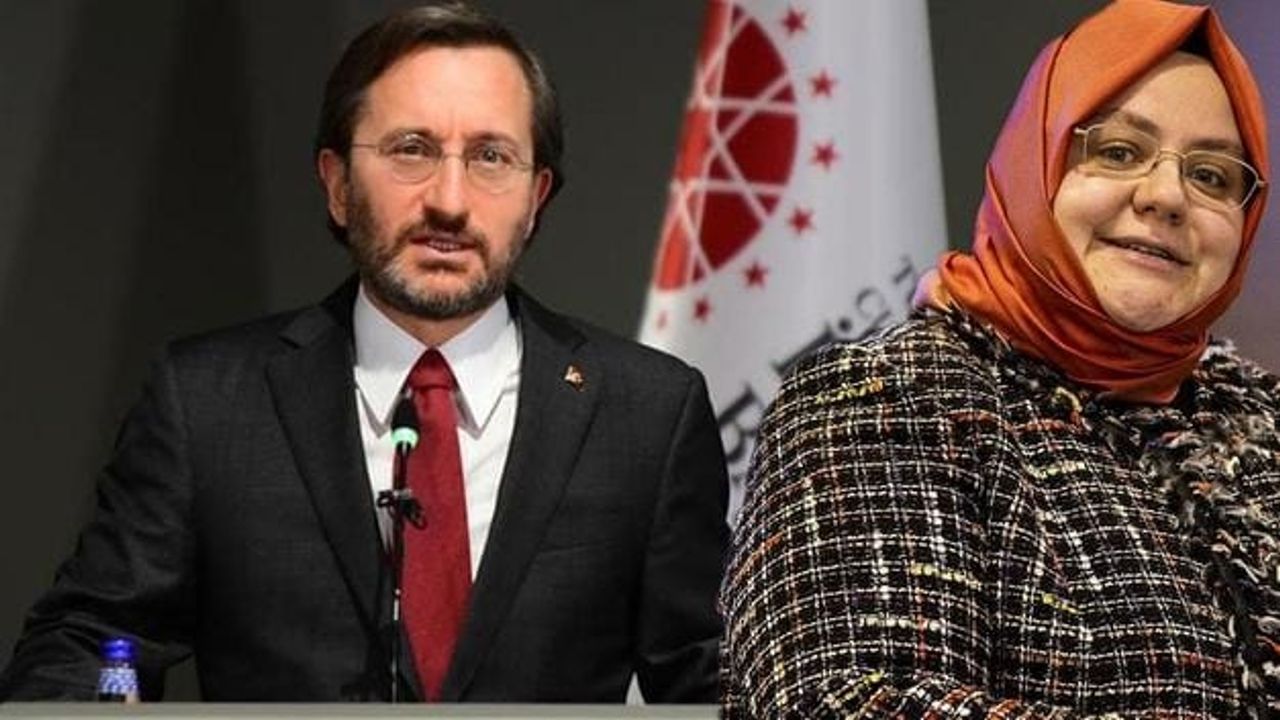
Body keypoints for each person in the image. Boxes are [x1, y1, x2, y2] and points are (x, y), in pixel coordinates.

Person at [0, 1, 728, 703]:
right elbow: (87, 641)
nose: (449, 200)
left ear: (536, 197)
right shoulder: (209, 403)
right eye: (411, 150)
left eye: (490, 156)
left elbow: (715, 677)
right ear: (338, 184)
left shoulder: (646, 415)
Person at [721, 1, 1276, 718]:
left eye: (1213, 176)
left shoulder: (1264, 423)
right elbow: (851, 702)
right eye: (1117, 151)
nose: (1168, 196)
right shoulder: (883, 398)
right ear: (1031, 164)